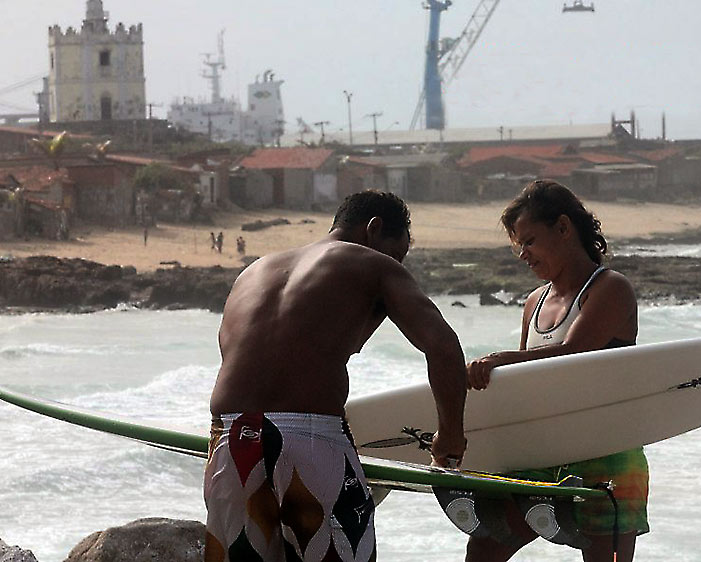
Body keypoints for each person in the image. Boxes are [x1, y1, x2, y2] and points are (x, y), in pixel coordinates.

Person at [206, 190, 468, 562]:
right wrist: (450, 440)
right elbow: (443, 347)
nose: (396, 262)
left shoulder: (255, 271)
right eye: (397, 253)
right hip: (308, 442)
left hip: (231, 439)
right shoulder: (374, 265)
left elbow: (254, 356)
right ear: (374, 230)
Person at [464, 180, 649, 562]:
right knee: (484, 547)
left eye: (529, 241)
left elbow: (572, 354)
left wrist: (497, 359)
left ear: (564, 228)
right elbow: (524, 383)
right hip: (543, 453)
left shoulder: (610, 288)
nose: (523, 255)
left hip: (607, 457)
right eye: (518, 245)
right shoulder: (534, 302)